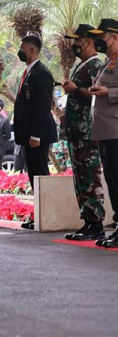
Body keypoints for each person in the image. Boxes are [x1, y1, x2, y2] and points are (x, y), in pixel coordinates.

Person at [61, 24, 105, 241]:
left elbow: (97, 94)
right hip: (77, 132)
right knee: (80, 179)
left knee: (90, 176)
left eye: (78, 40)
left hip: (87, 131)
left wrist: (75, 89)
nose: (74, 44)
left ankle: (96, 222)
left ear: (88, 41)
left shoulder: (96, 64)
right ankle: (88, 221)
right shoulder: (83, 65)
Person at [13, 33, 58, 230]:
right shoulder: (29, 72)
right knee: (33, 176)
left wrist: (35, 135)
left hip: (36, 135)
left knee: (40, 174)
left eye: (23, 48)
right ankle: (39, 215)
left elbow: (42, 107)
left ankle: (46, 215)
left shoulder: (42, 74)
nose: (20, 52)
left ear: (31, 50)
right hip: (28, 134)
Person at [88, 19, 118, 247]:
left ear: (114, 37)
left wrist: (109, 91)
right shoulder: (108, 63)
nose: (99, 42)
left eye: (103, 37)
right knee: (112, 180)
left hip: (116, 130)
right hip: (106, 131)